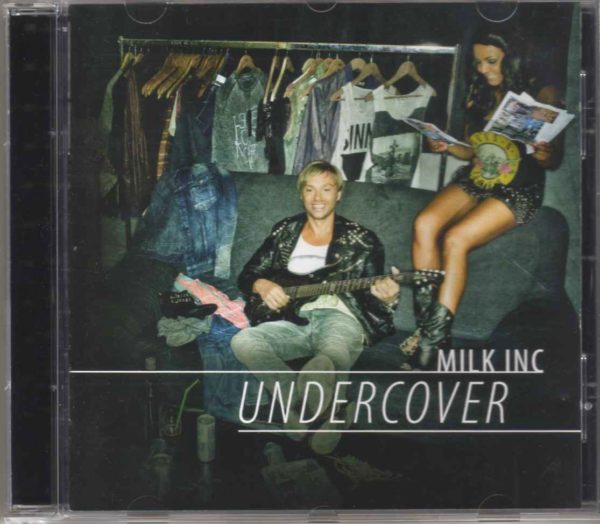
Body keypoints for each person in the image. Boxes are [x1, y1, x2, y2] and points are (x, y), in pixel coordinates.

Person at [402, 31, 564, 369]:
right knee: (424, 223)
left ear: (512, 59)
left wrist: (545, 152)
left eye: (491, 61)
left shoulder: (542, 95)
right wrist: (449, 146)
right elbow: (471, 151)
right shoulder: (479, 92)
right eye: (478, 62)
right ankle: (429, 327)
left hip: (518, 187)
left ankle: (432, 343)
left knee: (455, 239)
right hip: (477, 178)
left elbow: (553, 159)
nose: (483, 69)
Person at [231, 160, 400, 454]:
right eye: (310, 189)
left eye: (326, 189)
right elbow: (248, 275)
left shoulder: (363, 240)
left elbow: (372, 303)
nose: (318, 198)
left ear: (339, 194)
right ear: (301, 194)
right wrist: (263, 285)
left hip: (341, 315)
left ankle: (320, 416)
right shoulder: (285, 230)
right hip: (293, 319)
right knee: (243, 341)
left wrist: (388, 299)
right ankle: (301, 401)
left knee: (330, 358)